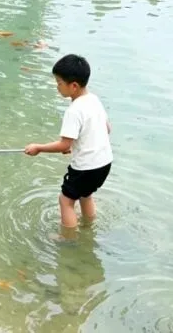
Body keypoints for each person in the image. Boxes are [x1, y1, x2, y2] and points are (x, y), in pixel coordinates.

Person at [24, 54, 113, 231]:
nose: (57, 87)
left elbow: (64, 145)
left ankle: (68, 238)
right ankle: (89, 225)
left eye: (59, 83)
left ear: (73, 86)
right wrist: (75, 144)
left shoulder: (74, 111)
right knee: (86, 195)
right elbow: (106, 128)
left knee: (65, 201)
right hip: (104, 163)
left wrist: (38, 148)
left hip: (85, 168)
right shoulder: (94, 100)